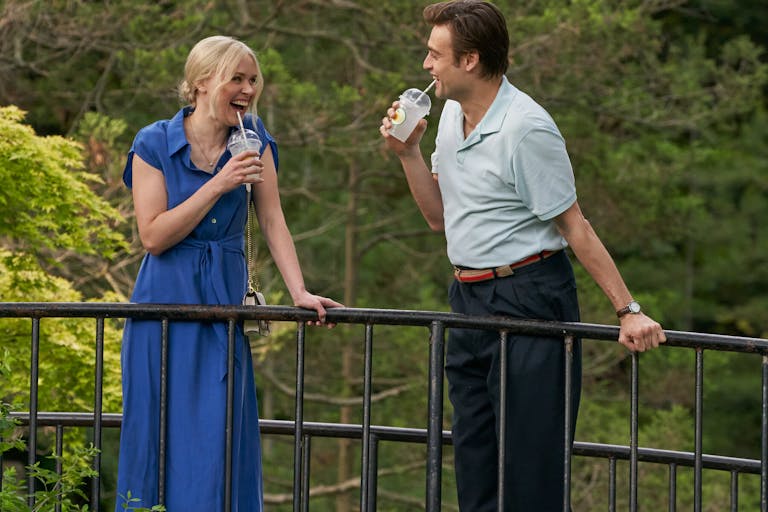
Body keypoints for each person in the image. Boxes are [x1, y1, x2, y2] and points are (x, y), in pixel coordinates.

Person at [379, 1, 667, 510]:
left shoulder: (526, 128)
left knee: (530, 471)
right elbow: (439, 217)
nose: (426, 65)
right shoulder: (450, 116)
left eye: (435, 55)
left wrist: (628, 310)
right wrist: (408, 154)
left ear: (470, 60)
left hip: (530, 297)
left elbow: (575, 226)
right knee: (475, 465)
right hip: (467, 300)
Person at [115, 35, 342, 511]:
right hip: (163, 308)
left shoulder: (254, 137)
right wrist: (219, 184)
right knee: (156, 437)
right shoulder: (153, 142)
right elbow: (153, 236)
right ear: (201, 82)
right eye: (236, 78)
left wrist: (299, 291)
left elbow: (273, 220)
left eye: (253, 80)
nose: (248, 89)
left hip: (224, 308)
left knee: (218, 440)